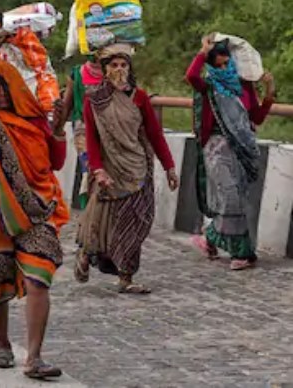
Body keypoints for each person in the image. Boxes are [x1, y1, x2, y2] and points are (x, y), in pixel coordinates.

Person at [0, 29, 69, 380]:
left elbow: (56, 162)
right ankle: (3, 345)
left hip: (36, 206)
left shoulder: (33, 120)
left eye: (3, 86)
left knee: (39, 277)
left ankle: (33, 358)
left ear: (15, 87)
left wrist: (60, 129)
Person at [75, 44, 178, 293]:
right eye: (114, 65)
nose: (119, 69)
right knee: (103, 220)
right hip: (109, 169)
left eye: (123, 65)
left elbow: (154, 134)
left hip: (138, 167)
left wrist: (169, 167)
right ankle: (90, 257)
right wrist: (97, 170)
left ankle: (125, 276)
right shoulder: (95, 100)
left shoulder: (140, 97)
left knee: (138, 219)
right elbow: (93, 139)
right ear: (105, 69)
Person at [187, 36, 275, 270]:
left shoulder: (243, 86)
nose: (225, 69)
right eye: (219, 65)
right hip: (217, 146)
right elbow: (191, 76)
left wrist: (268, 90)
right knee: (230, 197)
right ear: (211, 64)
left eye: (228, 63)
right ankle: (242, 253)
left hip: (242, 149)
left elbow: (255, 118)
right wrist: (201, 52)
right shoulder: (209, 85)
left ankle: (210, 238)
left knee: (237, 200)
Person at [61, 53, 104, 209]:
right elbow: (67, 104)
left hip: (110, 129)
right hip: (84, 131)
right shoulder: (77, 73)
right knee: (91, 171)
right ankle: (90, 210)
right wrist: (57, 131)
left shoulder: (115, 71)